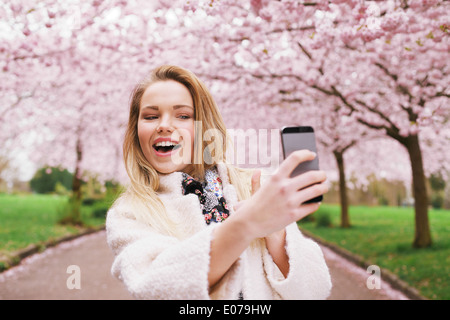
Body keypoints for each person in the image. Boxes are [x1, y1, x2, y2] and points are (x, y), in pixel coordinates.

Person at [106, 65, 332, 300]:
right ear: (136, 131)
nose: (163, 125)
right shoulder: (128, 213)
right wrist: (246, 225)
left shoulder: (253, 188)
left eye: (183, 115)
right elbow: (159, 287)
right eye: (151, 116)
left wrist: (277, 237)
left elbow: (316, 291)